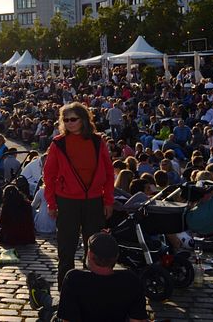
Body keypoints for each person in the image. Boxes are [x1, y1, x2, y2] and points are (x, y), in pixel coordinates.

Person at [43, 102, 114, 288]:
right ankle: (66, 289)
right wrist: (51, 203)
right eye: (65, 120)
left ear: (83, 119)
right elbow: (48, 175)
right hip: (67, 201)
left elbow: (108, 172)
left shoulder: (98, 141)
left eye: (73, 119)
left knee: (95, 248)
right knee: (66, 248)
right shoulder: (58, 143)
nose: (69, 123)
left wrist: (108, 200)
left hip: (94, 200)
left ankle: (93, 287)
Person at [57, 232, 148, 322]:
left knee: (52, 307)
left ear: (90, 255)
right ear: (116, 256)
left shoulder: (74, 279)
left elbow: (67, 319)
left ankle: (43, 294)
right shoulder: (130, 280)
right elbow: (137, 319)